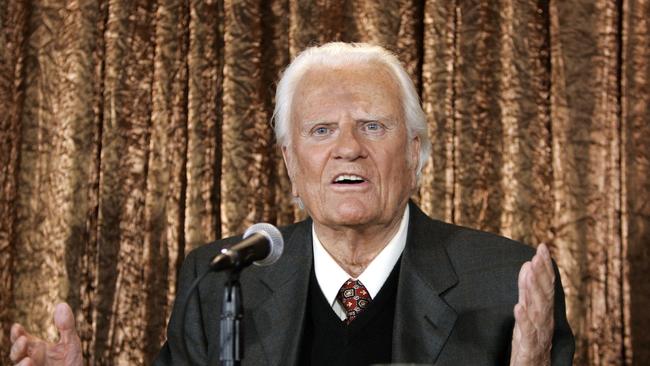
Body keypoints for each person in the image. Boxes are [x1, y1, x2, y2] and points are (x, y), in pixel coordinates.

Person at [9, 42, 574, 366]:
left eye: (372, 126)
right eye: (321, 129)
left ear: (416, 153)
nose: (347, 148)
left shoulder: (507, 284)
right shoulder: (222, 280)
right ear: (290, 165)